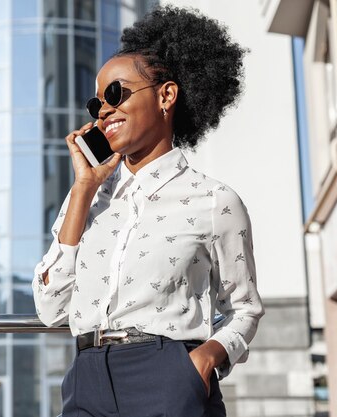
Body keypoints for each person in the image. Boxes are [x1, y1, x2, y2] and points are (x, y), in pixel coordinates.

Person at [32, 6, 265, 417]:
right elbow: (51, 308)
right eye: (96, 103)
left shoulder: (213, 200)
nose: (103, 110)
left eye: (116, 94)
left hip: (169, 377)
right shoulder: (85, 199)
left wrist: (205, 361)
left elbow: (243, 309)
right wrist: (84, 188)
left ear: (166, 95)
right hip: (85, 379)